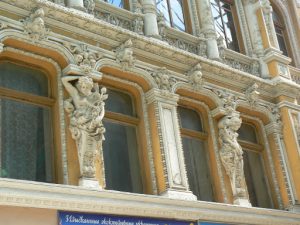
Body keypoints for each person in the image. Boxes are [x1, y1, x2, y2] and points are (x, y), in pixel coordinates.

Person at [62, 75, 108, 179]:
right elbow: (64, 80)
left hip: (94, 125)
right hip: (81, 124)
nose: (85, 89)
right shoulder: (76, 95)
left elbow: (100, 109)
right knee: (84, 147)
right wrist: (79, 75)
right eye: (82, 86)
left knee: (92, 149)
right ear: (79, 86)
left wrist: (98, 116)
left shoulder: (96, 96)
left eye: (87, 87)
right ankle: (86, 170)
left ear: (91, 86)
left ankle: (89, 170)